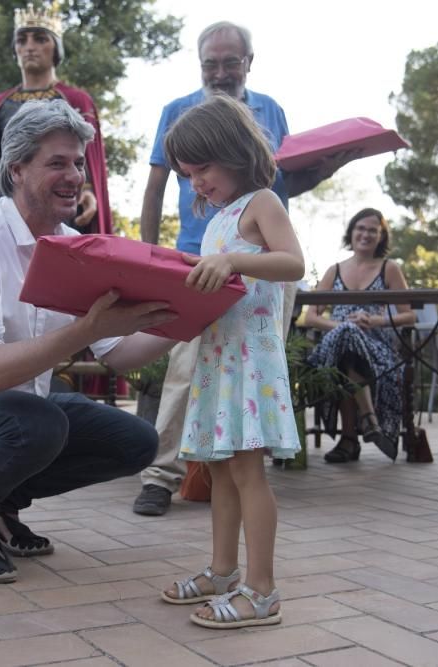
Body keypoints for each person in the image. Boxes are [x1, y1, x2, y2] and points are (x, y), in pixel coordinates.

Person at [0, 99, 178, 583]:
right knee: (38, 422)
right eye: (56, 163)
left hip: (20, 410)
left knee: (135, 441)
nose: (73, 176)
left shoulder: (74, 247)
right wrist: (85, 330)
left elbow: (119, 353)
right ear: (17, 169)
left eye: (77, 164)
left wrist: (180, 323)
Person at [134, 20, 348, 516]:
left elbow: (280, 185)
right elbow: (156, 187)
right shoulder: (178, 112)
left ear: (249, 62)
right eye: (212, 62)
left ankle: (244, 462)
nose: (221, 70)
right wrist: (148, 253)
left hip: (261, 266)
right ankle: (163, 474)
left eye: (231, 61)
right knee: (187, 370)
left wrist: (323, 169)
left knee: (250, 364)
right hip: (196, 258)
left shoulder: (270, 111)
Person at [157, 94, 305, 628]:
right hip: (219, 357)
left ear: (234, 152)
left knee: (247, 471)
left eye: (202, 169)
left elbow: (292, 263)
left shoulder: (262, 202)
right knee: (218, 469)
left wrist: (231, 260)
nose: (195, 182)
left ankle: (262, 589)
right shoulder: (217, 218)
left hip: (251, 363)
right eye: (186, 175)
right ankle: (223, 571)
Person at [0, 3, 111, 234]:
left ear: (56, 49)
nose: (29, 47)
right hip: (11, 202)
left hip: (62, 200)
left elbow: (84, 156)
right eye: (22, 41)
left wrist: (88, 190)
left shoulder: (76, 99)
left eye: (40, 39)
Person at [303, 208, 416, 463]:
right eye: (360, 228)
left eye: (372, 230)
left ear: (381, 236)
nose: (365, 234)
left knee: (348, 345)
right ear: (351, 232)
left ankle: (349, 441)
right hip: (334, 344)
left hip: (376, 347)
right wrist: (342, 326)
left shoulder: (389, 268)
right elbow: (311, 317)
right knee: (346, 337)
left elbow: (409, 316)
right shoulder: (334, 270)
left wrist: (376, 320)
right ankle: (369, 419)